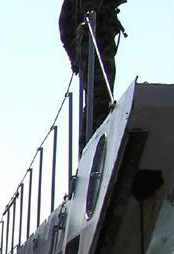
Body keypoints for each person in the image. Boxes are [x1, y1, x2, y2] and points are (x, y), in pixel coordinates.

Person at [59, 0, 126, 146]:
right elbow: (65, 26)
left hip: (94, 49)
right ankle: (92, 146)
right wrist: (74, 57)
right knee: (100, 101)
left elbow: (64, 26)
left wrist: (74, 57)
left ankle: (90, 146)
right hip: (97, 48)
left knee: (98, 101)